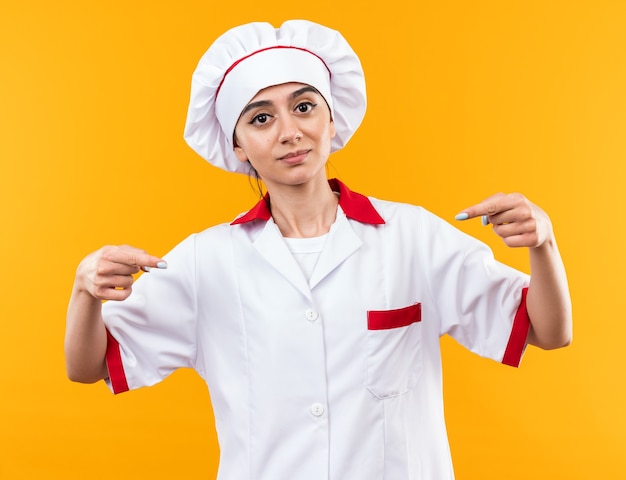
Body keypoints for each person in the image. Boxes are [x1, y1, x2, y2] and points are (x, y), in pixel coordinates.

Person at [65, 19, 572, 479]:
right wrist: (85, 292)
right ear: (237, 146)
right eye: (261, 119)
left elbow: (548, 331)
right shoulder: (207, 261)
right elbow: (88, 366)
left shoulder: (413, 236)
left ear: (333, 120)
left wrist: (544, 244)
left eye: (304, 107)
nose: (290, 132)